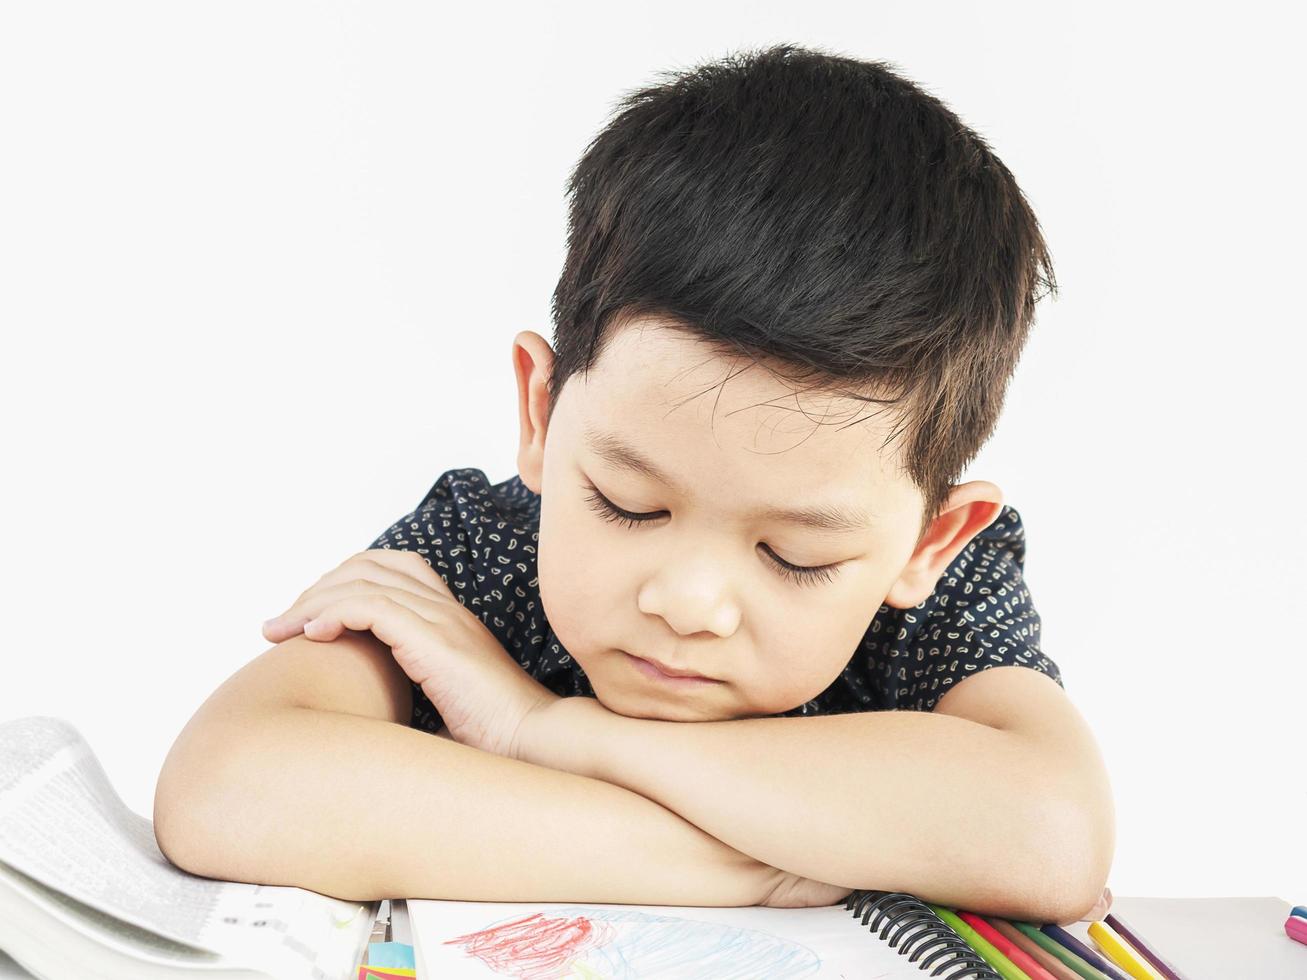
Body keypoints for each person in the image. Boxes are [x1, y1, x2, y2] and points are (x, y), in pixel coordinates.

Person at [158, 43, 1113, 924]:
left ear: (926, 544)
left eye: (795, 555)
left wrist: (546, 729)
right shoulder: (482, 554)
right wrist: (743, 866)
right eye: (628, 504)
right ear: (540, 415)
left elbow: (1052, 836)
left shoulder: (934, 600)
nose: (687, 603)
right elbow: (228, 789)